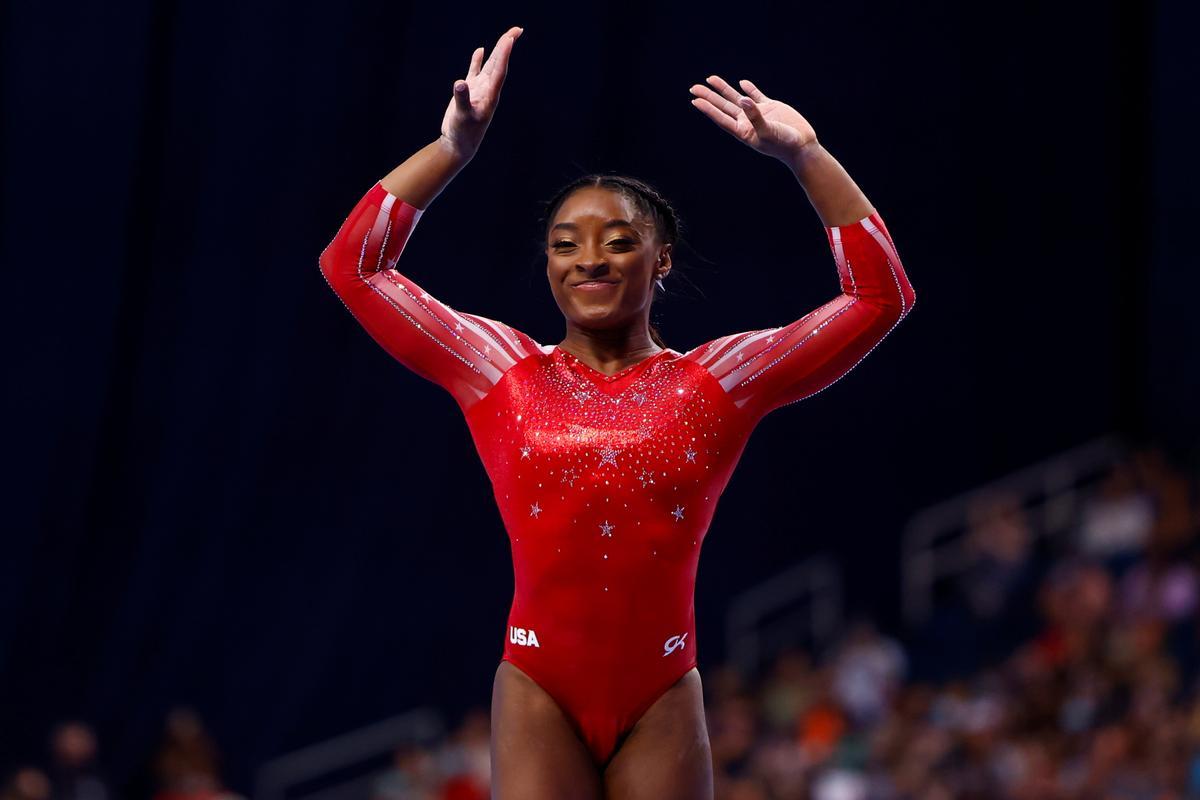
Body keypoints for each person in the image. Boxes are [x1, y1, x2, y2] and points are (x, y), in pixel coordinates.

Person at [318, 25, 916, 800]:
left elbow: (880, 297)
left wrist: (808, 156)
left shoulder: (720, 379)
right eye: (565, 244)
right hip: (538, 686)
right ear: (547, 265)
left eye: (617, 240)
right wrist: (451, 151)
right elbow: (353, 267)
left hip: (663, 692)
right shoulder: (499, 368)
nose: (588, 258)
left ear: (660, 259)